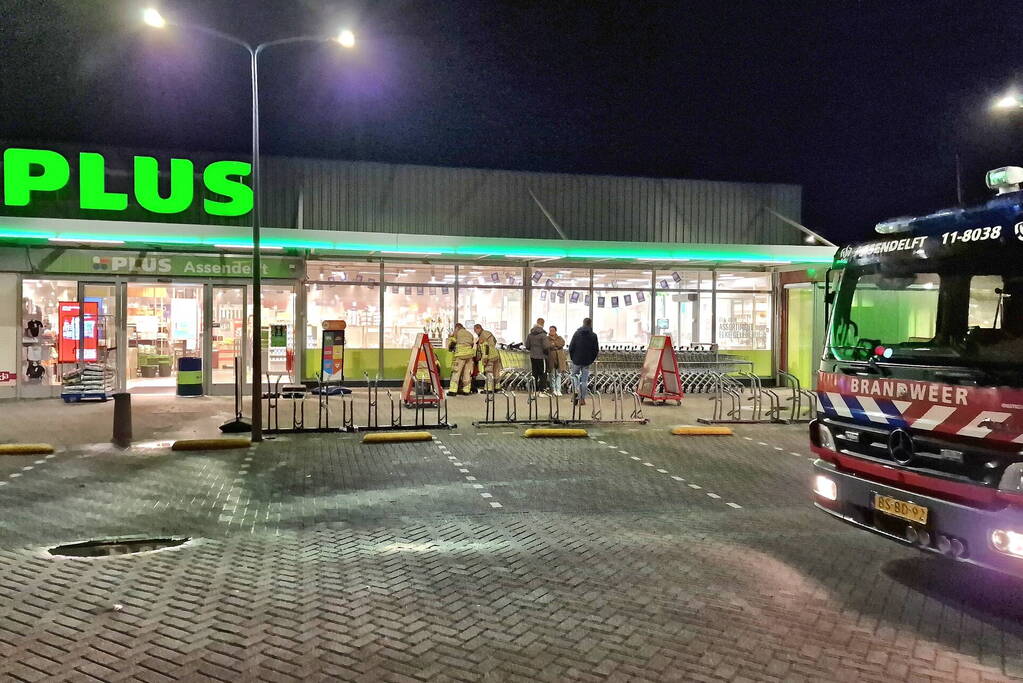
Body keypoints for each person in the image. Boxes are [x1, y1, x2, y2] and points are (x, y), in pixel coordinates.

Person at [568, 317, 599, 405]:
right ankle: (582, 399)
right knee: (584, 380)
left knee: (574, 376)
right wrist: (591, 359)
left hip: (576, 360)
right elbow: (595, 350)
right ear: (590, 324)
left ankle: (576, 391)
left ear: (583, 323)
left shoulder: (577, 334)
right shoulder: (593, 335)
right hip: (586, 361)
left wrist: (573, 358)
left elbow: (571, 347)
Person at [445, 323, 476, 396]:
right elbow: (472, 344)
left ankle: (453, 390)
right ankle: (466, 390)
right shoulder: (469, 333)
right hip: (469, 355)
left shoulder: (457, 332)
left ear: (457, 327)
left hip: (460, 354)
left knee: (456, 371)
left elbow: (453, 342)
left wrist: (450, 341)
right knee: (466, 372)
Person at [474, 324, 502, 391]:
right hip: (496, 354)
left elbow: (484, 348)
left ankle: (488, 388)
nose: (475, 332)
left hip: (489, 356)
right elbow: (495, 341)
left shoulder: (482, 336)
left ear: (479, 328)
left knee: (488, 371)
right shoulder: (488, 333)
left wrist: (484, 359)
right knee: (496, 372)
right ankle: (497, 387)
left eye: (475, 330)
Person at [524, 322, 550, 391]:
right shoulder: (543, 335)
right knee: (543, 373)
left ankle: (534, 388)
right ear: (541, 328)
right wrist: (547, 353)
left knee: (534, 373)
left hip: (533, 356)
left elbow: (527, 346)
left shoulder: (530, 335)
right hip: (542, 357)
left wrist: (533, 350)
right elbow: (546, 346)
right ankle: (542, 389)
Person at [546, 325, 567, 396]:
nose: (551, 332)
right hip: (551, 359)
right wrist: (556, 346)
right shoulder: (547, 338)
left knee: (559, 374)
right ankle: (553, 389)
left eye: (553, 330)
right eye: (550, 330)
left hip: (559, 359)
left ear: (555, 331)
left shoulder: (560, 338)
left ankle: (558, 389)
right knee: (552, 375)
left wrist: (554, 344)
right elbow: (548, 345)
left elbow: (562, 343)